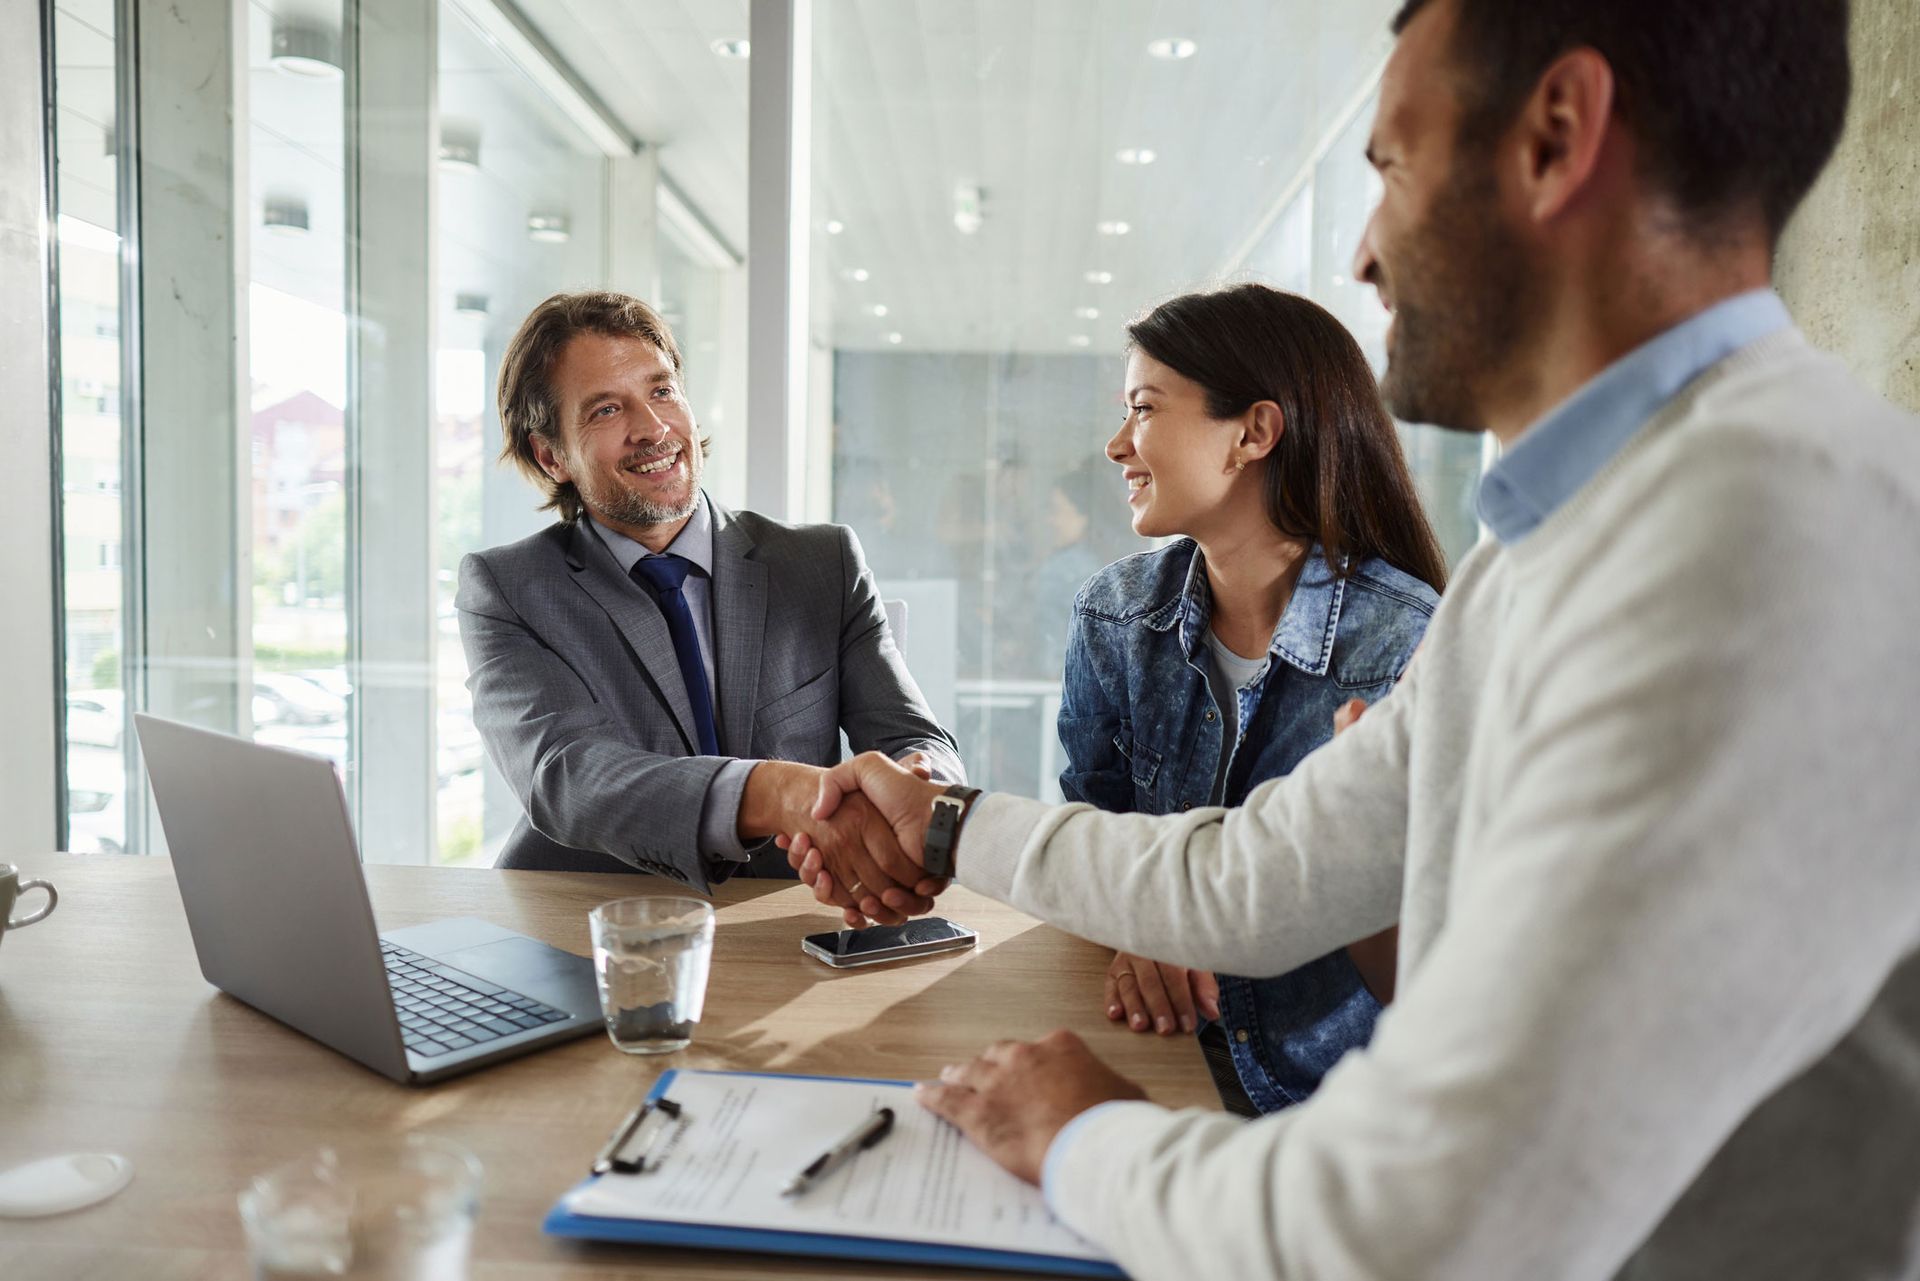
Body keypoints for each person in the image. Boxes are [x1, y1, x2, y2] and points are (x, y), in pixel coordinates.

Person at [788, 0, 1920, 1276]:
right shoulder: (1556, 547)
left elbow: (1414, 1223)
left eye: (1391, 166)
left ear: (1556, 136)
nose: (1369, 250)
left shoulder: (1758, 542)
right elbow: (1258, 875)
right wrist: (939, 821)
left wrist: (1082, 1137)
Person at [1059, 284, 1443, 1115]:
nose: (1117, 443)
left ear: (1255, 433)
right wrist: (1139, 925)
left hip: (1336, 1111)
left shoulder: (1411, 646)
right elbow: (1094, 833)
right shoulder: (1113, 616)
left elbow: (1445, 949)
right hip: (1152, 1062)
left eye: (1145, 408)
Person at [457, 290, 962, 898]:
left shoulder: (822, 562)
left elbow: (914, 736)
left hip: (792, 908)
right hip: (589, 915)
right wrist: (776, 792)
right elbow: (566, 775)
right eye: (606, 410)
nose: (652, 428)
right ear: (551, 454)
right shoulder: (508, 588)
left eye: (663, 391)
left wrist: (909, 802)